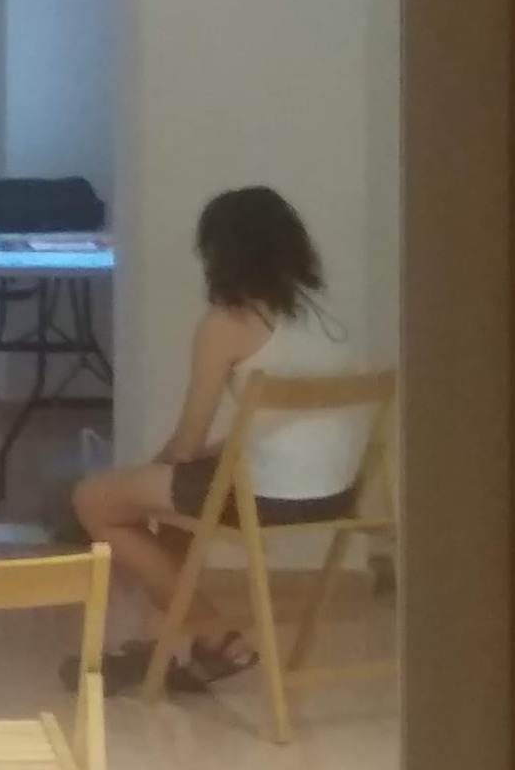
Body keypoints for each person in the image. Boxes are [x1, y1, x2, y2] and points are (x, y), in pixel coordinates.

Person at [69, 186, 363, 695]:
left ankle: (215, 636)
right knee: (174, 509)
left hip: (266, 497)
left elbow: (186, 444)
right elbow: (280, 427)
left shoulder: (227, 323)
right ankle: (157, 645)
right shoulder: (323, 316)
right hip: (336, 493)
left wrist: (148, 475)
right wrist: (167, 477)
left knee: (93, 499)